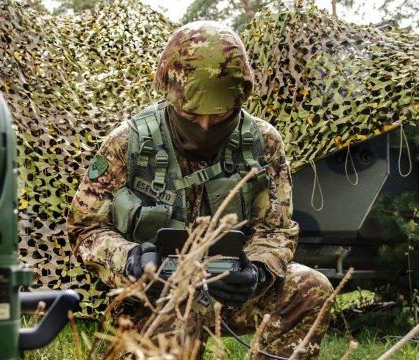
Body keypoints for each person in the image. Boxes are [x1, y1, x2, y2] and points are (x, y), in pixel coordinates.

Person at [66, 21, 333, 359]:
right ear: (171, 94)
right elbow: (85, 227)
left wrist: (257, 270)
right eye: (192, 114)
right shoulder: (127, 143)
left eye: (220, 114)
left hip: (229, 295)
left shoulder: (263, 144)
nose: (205, 126)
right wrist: (131, 259)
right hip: (155, 299)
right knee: (172, 326)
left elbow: (276, 230)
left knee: (310, 288)